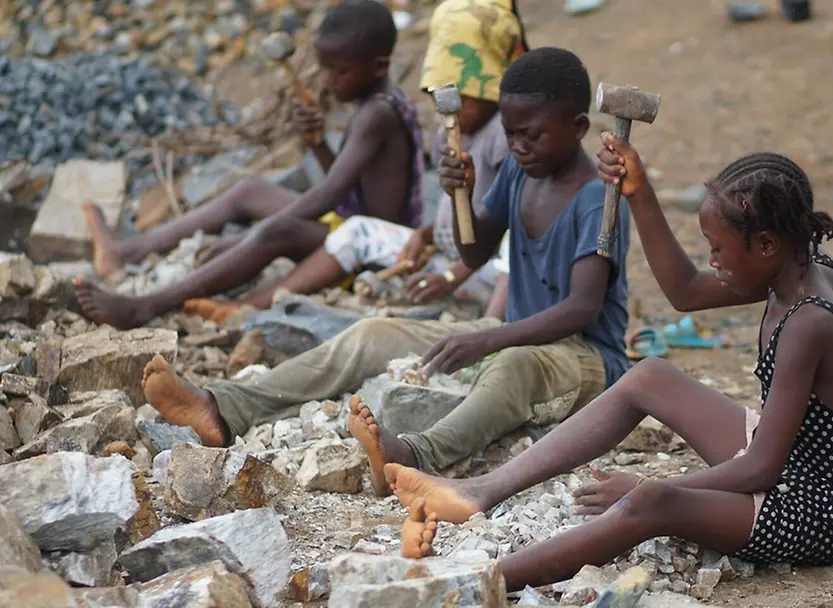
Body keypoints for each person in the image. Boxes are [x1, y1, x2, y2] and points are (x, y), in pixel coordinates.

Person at [137, 48, 630, 505]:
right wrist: (463, 195)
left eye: (533, 135)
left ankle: (417, 454)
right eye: (512, 133)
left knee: (512, 366)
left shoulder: (596, 200)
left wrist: (487, 338)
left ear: (579, 125)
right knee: (377, 331)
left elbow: (581, 309)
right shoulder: (524, 173)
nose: (519, 146)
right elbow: (476, 250)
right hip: (513, 334)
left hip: (585, 358)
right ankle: (224, 407)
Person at [383, 148, 833, 588]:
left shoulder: (807, 321)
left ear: (764, 244)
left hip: (832, 512)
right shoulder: (798, 263)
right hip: (795, 466)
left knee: (651, 503)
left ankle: (479, 582)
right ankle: (476, 491)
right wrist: (639, 193)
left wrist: (652, 487)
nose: (712, 260)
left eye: (717, 249)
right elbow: (685, 291)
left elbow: (762, 467)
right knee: (650, 375)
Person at [75, 0, 425, 329]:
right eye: (325, 69)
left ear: (379, 65)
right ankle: (125, 252)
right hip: (352, 222)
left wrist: (245, 239)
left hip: (376, 249)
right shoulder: (373, 103)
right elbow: (347, 187)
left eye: (340, 71)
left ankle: (146, 306)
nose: (328, 80)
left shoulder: (377, 114)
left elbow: (330, 194)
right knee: (249, 190)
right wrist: (317, 143)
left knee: (276, 232)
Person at [181, 0, 529, 323]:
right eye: (440, 95)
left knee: (350, 231)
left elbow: (507, 236)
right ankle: (244, 307)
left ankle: (489, 331)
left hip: (487, 273)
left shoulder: (504, 136)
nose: (449, 107)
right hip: (449, 258)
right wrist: (426, 236)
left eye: (462, 96)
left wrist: (452, 275)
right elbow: (453, 217)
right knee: (352, 231)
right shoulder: (449, 132)